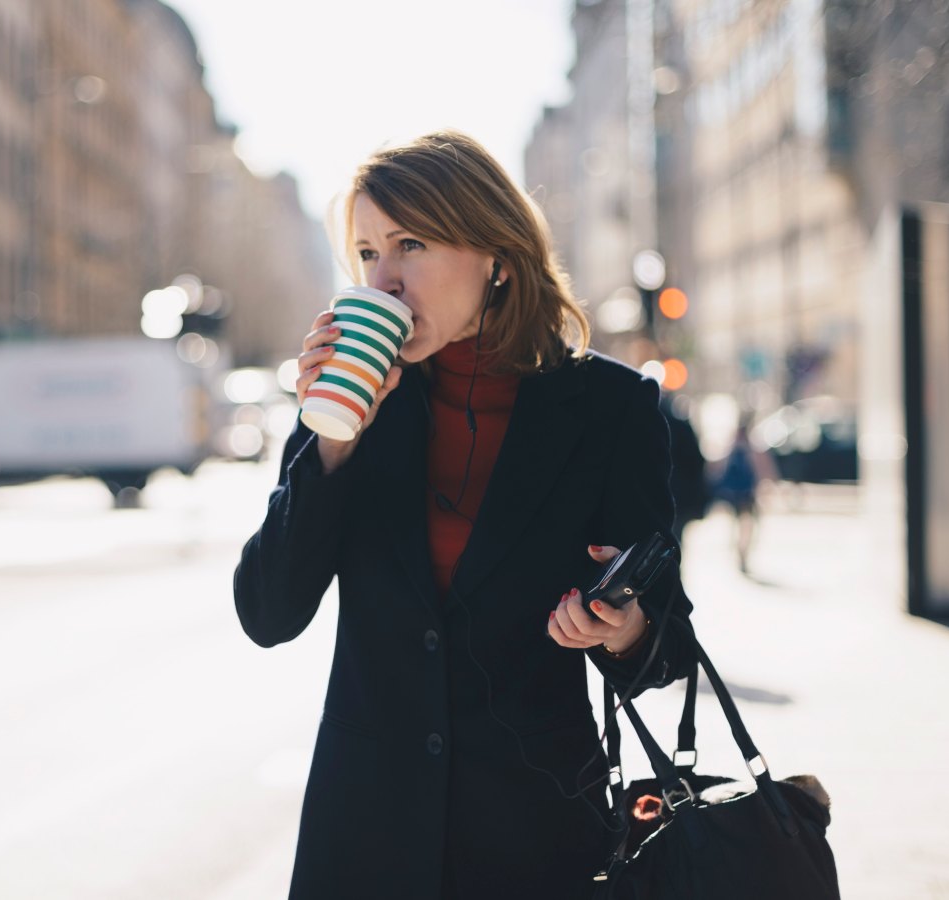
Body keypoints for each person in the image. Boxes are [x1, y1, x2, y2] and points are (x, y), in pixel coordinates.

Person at [233, 131, 694, 900]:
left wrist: (628, 628)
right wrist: (330, 449)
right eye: (367, 254)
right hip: (367, 832)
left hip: (536, 833)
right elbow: (268, 611)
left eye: (410, 244)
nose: (385, 278)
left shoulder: (611, 408)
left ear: (496, 256)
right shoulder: (351, 400)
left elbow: (669, 638)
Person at [711, 418, 778, 572]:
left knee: (742, 524)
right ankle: (741, 551)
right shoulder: (748, 450)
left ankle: (740, 550)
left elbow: (716, 471)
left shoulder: (733, 450)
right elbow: (765, 470)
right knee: (745, 524)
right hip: (744, 494)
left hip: (738, 494)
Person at [660, 390, 707, 545]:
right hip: (679, 495)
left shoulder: (643, 427)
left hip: (665, 493)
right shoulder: (681, 426)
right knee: (674, 539)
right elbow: (697, 461)